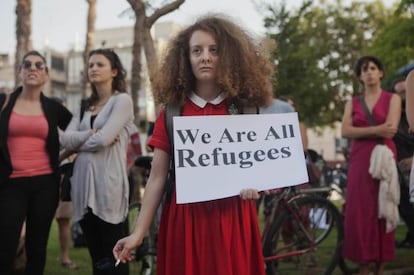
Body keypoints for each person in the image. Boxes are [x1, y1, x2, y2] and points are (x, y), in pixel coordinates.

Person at [113, 14, 274, 275]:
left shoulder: (245, 109)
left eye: (214, 50)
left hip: (233, 217)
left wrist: (255, 186)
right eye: (196, 50)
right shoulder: (172, 112)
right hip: (184, 219)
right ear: (185, 58)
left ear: (229, 55)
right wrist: (138, 234)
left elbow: (257, 170)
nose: (205, 57)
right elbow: (156, 179)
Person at [60, 48, 134, 275]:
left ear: (113, 71)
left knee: (114, 254)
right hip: (82, 186)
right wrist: (90, 134)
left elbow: (104, 140)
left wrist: (79, 143)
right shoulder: (84, 106)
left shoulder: (122, 100)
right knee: (96, 255)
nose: (93, 68)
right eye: (90, 65)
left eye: (99, 64)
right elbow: (65, 137)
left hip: (109, 185)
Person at [0, 50, 73, 275]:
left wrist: (61, 158)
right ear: (20, 72)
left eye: (39, 65)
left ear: (46, 76)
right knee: (5, 244)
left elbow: (78, 131)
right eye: (27, 64)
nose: (33, 68)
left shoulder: (52, 107)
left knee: (37, 246)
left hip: (45, 185)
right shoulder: (4, 101)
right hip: (10, 183)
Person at [341, 55, 401, 275]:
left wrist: (362, 131)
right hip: (359, 158)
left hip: (384, 155)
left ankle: (381, 265)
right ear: (360, 76)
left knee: (384, 205)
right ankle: (363, 264)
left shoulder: (393, 98)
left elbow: (392, 129)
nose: (369, 72)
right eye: (364, 69)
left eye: (373, 68)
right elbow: (345, 131)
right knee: (359, 210)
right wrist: (377, 130)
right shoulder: (352, 102)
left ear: (381, 72)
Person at [391, 77, 414, 248]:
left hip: (411, 163)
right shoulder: (395, 115)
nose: (403, 95)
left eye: (405, 91)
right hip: (399, 168)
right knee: (403, 205)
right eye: (399, 92)